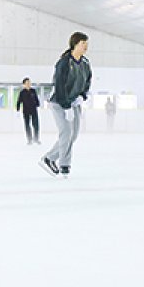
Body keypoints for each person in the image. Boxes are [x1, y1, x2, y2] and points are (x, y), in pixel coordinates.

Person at [39, 32, 92, 179]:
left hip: (74, 102)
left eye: (87, 43)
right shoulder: (64, 62)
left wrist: (82, 96)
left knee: (73, 135)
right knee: (66, 133)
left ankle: (49, 158)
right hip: (59, 102)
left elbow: (87, 81)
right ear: (75, 44)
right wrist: (66, 105)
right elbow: (59, 85)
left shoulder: (85, 63)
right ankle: (64, 165)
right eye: (83, 43)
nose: (86, 46)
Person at [16, 77, 41, 145]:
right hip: (26, 111)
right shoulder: (22, 92)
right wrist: (17, 110)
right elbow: (18, 102)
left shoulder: (33, 91)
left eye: (30, 83)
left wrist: (38, 105)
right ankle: (29, 140)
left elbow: (36, 99)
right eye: (27, 83)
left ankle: (36, 139)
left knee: (36, 125)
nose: (29, 84)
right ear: (24, 84)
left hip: (34, 110)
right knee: (27, 125)